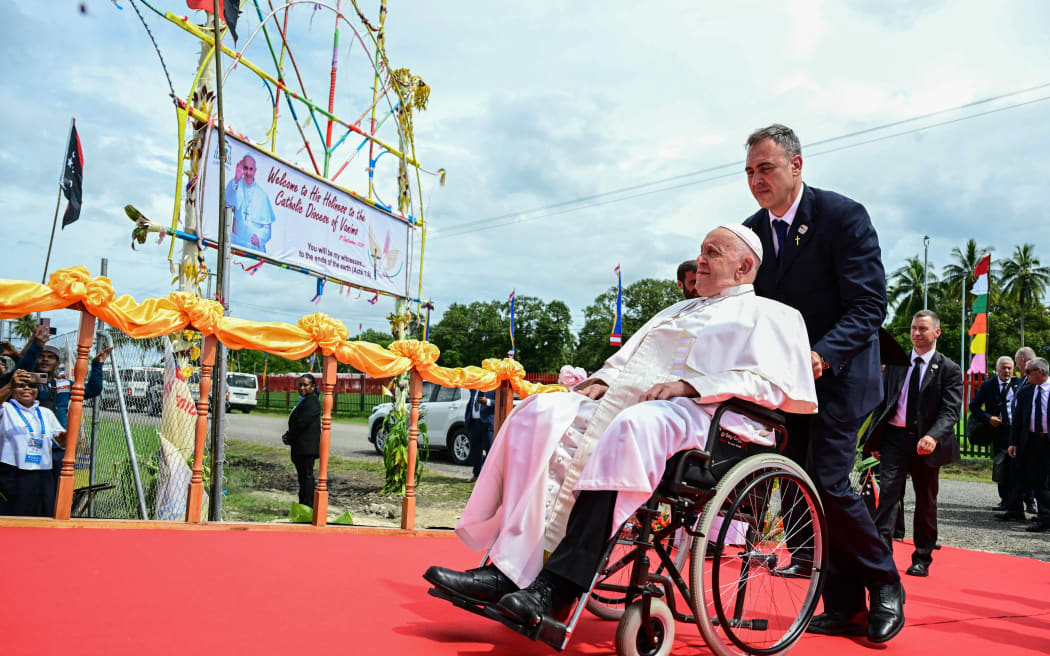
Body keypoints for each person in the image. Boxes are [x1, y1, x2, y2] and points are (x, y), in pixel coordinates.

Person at [423, 225, 818, 626]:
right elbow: (627, 363)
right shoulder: (676, 310)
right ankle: (506, 569)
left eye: (712, 253)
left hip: (711, 421)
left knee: (631, 426)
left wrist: (691, 385)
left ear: (744, 266)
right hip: (643, 406)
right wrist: (601, 381)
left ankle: (558, 586)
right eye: (700, 250)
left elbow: (772, 386)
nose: (700, 260)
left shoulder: (772, 315)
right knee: (539, 413)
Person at [740, 124, 903, 643]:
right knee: (794, 495)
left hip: (840, 377)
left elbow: (868, 305)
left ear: (796, 165)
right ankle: (841, 604)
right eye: (748, 171)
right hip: (782, 385)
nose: (756, 180)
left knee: (829, 483)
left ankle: (885, 584)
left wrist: (822, 354)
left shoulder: (842, 217)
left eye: (765, 168)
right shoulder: (749, 232)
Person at [866, 311, 962, 577]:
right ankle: (880, 555)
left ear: (936, 333)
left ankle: (922, 556)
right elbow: (884, 403)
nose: (916, 333)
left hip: (926, 443)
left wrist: (933, 435)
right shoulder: (897, 363)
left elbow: (951, 411)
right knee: (887, 497)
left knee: (925, 501)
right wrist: (877, 438)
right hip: (895, 439)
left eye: (922, 329)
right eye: (913, 328)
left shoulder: (949, 369)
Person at [0, 370, 66, 516]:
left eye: (32, 385)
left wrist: (64, 439)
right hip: (14, 472)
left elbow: (62, 440)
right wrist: (10, 385)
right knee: (15, 517)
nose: (27, 388)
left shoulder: (45, 413)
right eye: (21, 385)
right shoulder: (6, 408)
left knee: (44, 514)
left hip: (43, 472)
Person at [1004, 357, 1050, 532]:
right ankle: (1045, 518)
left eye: (1028, 372)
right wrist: (1013, 442)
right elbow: (1017, 420)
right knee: (1038, 481)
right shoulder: (1026, 392)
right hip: (1032, 442)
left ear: (1040, 372)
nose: (1025, 375)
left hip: (1048, 440)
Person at [970, 356, 1020, 511]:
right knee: (1001, 465)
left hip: (1016, 431)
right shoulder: (988, 385)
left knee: (1020, 466)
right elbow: (974, 406)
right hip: (999, 431)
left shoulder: (1019, 384)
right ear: (997, 369)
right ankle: (1005, 501)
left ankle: (1026, 501)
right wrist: (988, 418)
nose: (1006, 371)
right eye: (1004, 368)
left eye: (1009, 368)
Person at [282, 374, 321, 507]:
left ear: (313, 386)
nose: (302, 387)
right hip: (301, 447)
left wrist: (289, 436)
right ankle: (303, 504)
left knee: (307, 477)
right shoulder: (305, 400)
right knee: (303, 478)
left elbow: (302, 423)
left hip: (306, 448)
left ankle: (308, 505)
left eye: (305, 385)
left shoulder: (312, 401)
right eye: (300, 384)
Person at [226, 155, 276, 253]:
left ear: (255, 171)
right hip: (236, 246)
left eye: (251, 169)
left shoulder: (262, 195)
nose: (248, 173)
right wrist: (236, 179)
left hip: (254, 250)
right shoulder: (235, 186)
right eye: (245, 168)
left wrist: (259, 237)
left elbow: (267, 230)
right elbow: (228, 202)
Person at [465, 388, 496, 483]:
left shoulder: (494, 388)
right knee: (475, 450)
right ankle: (476, 474)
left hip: (487, 424)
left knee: (490, 450)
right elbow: (471, 403)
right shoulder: (474, 389)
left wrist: (487, 401)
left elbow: (499, 402)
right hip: (474, 423)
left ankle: (489, 476)